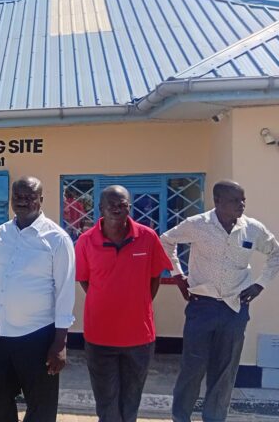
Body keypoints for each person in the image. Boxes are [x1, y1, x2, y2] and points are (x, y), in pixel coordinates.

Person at [161, 180, 279, 422]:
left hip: (234, 309)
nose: (242, 204)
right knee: (192, 368)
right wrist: (178, 275)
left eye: (243, 199)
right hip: (202, 306)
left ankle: (214, 418)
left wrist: (260, 284)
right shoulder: (197, 224)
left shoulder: (252, 228)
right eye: (235, 200)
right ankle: (180, 417)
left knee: (225, 370)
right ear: (217, 201)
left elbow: (275, 253)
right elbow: (166, 240)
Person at [0, 176, 75, 422]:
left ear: (41, 200)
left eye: (30, 197)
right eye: (18, 196)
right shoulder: (0, 234)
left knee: (41, 406)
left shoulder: (57, 239)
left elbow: (65, 292)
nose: (23, 201)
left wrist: (60, 343)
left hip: (38, 335)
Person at [75, 186, 172, 422]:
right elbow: (85, 280)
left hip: (139, 337)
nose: (117, 209)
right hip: (99, 336)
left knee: (130, 404)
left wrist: (137, 303)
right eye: (112, 204)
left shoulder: (148, 237)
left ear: (129, 207)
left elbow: (155, 277)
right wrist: (107, 298)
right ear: (101, 208)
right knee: (106, 404)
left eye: (123, 204)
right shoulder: (86, 241)